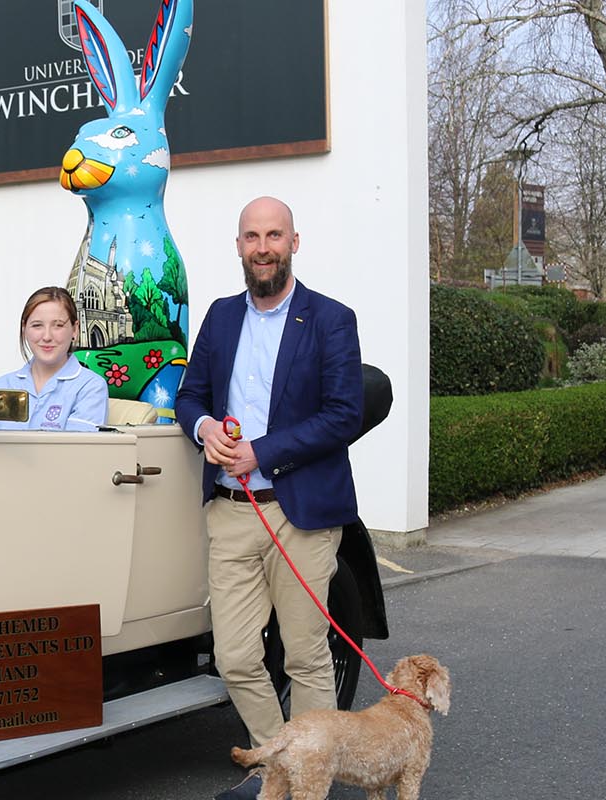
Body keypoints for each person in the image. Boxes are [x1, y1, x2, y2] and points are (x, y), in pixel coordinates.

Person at [173, 197, 363, 800]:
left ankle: (306, 785)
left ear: (293, 242)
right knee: (233, 657)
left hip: (298, 514)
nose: (263, 247)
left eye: (273, 235)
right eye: (252, 236)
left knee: (305, 659)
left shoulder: (330, 319)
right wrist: (203, 428)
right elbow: (189, 396)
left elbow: (343, 414)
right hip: (229, 511)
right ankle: (286, 765)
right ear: (238, 246)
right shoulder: (221, 317)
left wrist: (265, 451)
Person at [0, 287, 108, 431]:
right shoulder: (0, 386)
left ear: (75, 330)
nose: (46, 336)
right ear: (24, 329)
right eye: (37, 325)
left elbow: (76, 450)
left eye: (58, 325)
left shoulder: (91, 387)